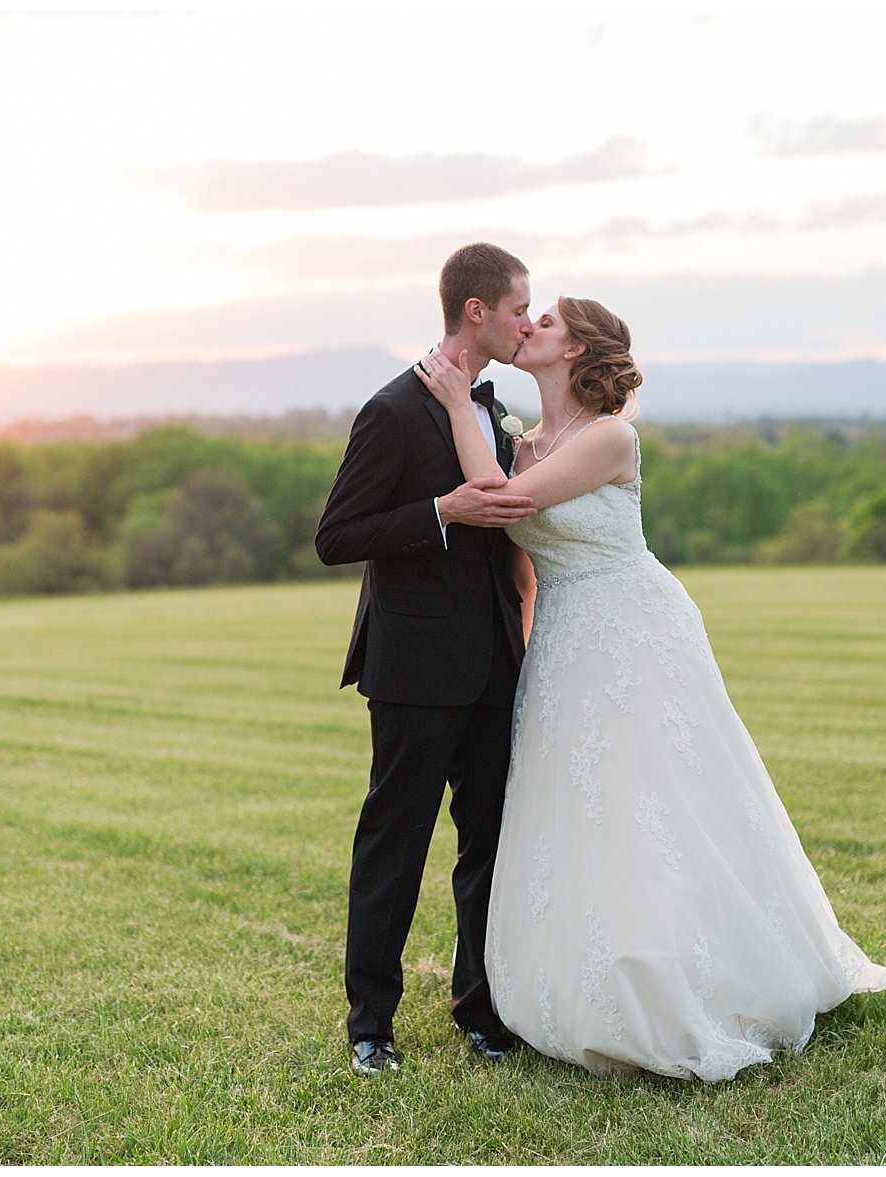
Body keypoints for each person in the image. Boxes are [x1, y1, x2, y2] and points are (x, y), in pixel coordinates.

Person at [413, 296, 886, 1081]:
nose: (528, 326)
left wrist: (450, 405)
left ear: (577, 351)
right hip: (566, 641)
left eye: (546, 322)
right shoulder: (525, 442)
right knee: (580, 806)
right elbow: (522, 561)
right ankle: (591, 971)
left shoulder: (610, 436)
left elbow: (502, 505)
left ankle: (684, 976)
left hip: (635, 629)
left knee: (655, 796)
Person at [314, 243, 537, 1077]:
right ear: (475, 311)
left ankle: (478, 1009)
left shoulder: (497, 407)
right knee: (394, 845)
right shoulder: (391, 410)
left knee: (490, 842)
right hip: (413, 668)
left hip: (495, 660)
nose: (528, 321)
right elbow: (335, 536)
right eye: (519, 307)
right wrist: (443, 508)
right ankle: (371, 1024)